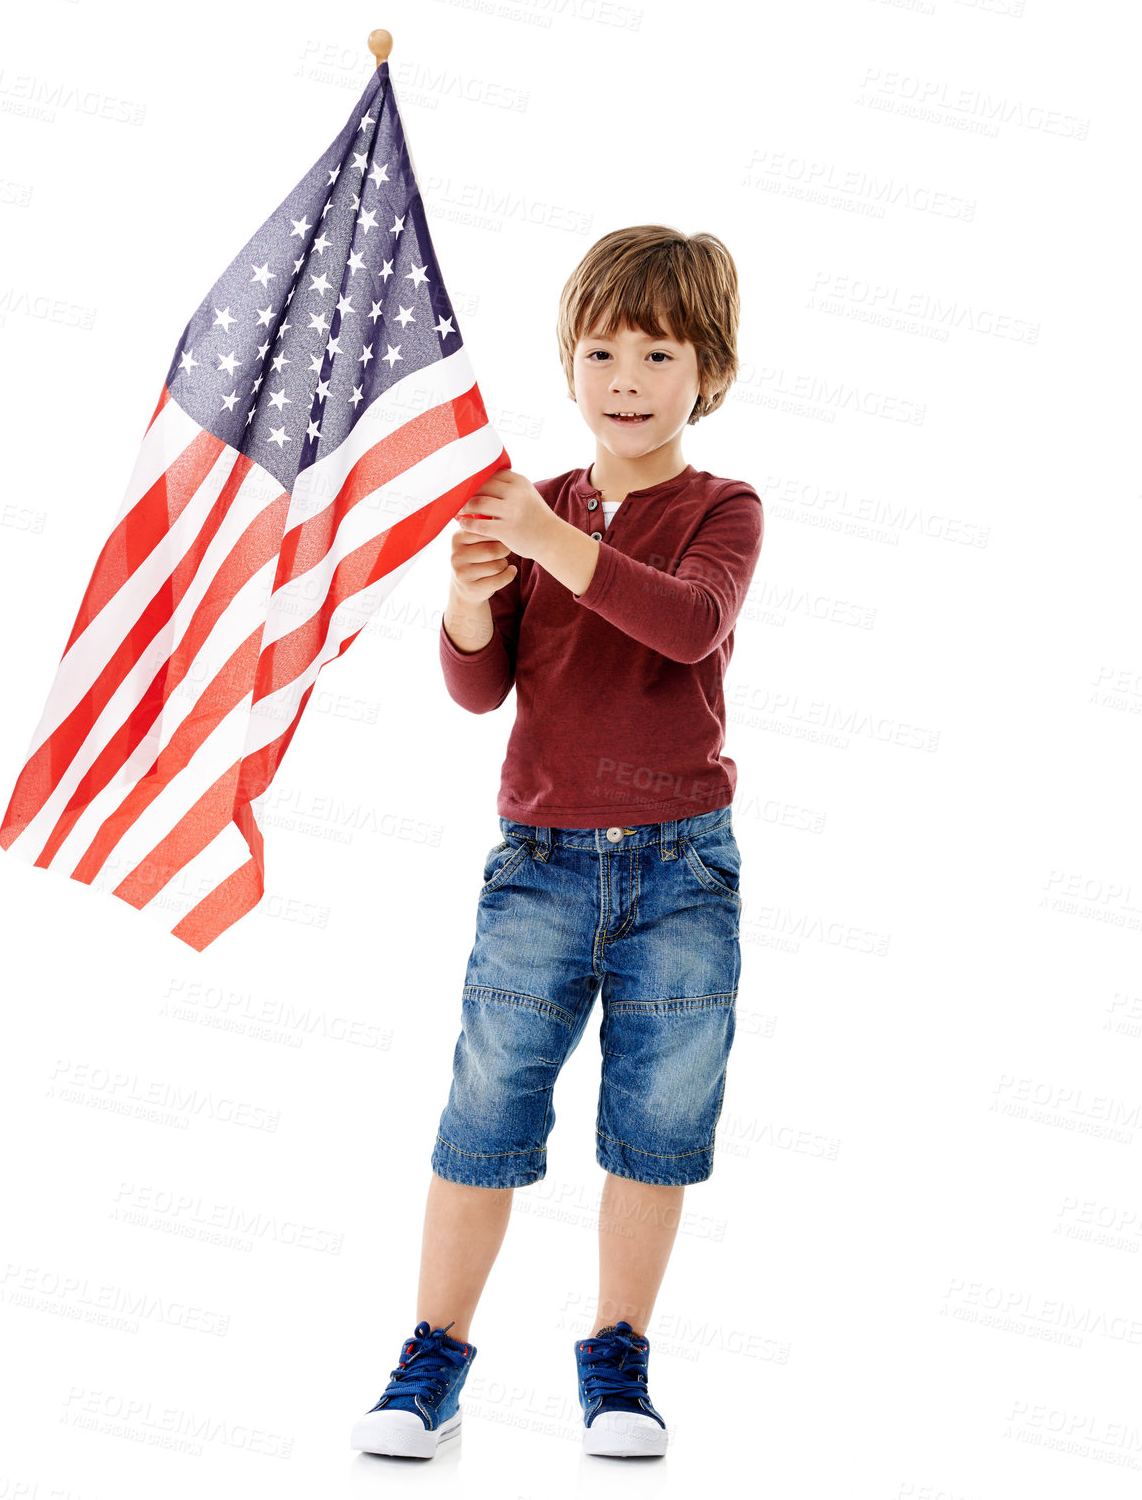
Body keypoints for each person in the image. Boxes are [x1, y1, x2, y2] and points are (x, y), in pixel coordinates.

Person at [350, 224, 765, 1460]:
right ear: (568, 361)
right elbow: (481, 688)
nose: (625, 377)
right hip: (540, 861)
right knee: (484, 1106)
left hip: (681, 867)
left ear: (709, 372)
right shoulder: (538, 508)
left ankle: (618, 1356)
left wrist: (544, 542)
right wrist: (473, 592)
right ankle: (434, 1352)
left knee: (656, 1120)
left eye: (657, 352)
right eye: (600, 349)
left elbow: (684, 626)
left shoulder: (720, 509)